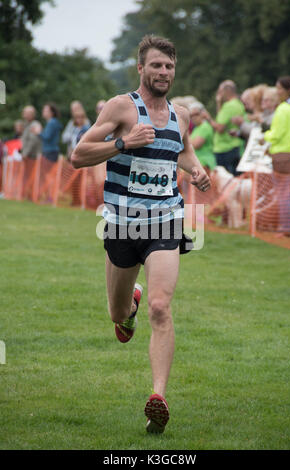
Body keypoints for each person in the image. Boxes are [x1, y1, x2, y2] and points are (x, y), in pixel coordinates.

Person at [71, 34, 210, 434]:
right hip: (121, 223)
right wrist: (122, 143)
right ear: (141, 69)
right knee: (118, 314)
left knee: (162, 307)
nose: (163, 72)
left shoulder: (182, 114)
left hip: (166, 220)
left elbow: (181, 151)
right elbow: (79, 155)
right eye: (155, 65)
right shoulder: (120, 107)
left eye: (168, 66)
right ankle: (126, 310)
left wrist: (195, 170)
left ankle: (158, 399)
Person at [263, 76, 290, 236]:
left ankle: (287, 229)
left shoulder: (283, 109)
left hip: (283, 156)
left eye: (278, 88)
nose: (276, 91)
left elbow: (276, 134)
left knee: (284, 194)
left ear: (286, 90)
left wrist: (265, 135)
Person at [202, 80, 246, 175]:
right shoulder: (238, 104)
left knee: (226, 180)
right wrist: (219, 103)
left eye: (220, 91)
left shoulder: (229, 106)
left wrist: (208, 118)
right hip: (234, 146)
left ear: (227, 91)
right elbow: (220, 118)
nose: (219, 94)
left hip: (225, 148)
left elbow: (220, 128)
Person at [189, 101, 216, 174]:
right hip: (198, 165)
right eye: (191, 115)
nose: (193, 117)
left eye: (196, 114)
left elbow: (196, 145)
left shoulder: (205, 126)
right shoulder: (197, 128)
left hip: (205, 164)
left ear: (203, 114)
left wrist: (186, 140)